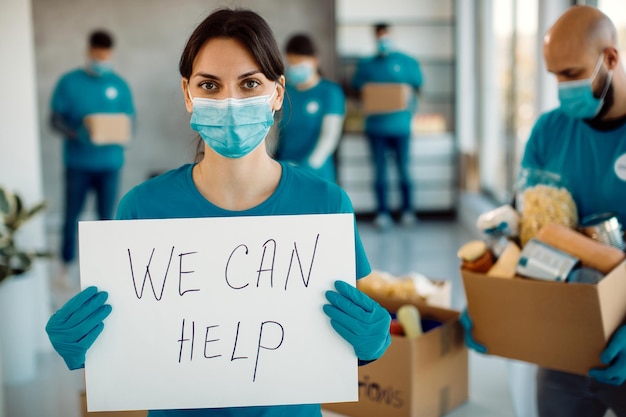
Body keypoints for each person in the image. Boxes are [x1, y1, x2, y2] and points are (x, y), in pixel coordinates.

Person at [45, 8, 391, 417]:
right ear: (188, 94)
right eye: (210, 85)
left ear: (277, 93)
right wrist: (89, 347)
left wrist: (369, 346)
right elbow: (132, 339)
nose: (230, 102)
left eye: (249, 84)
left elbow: (343, 339)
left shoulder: (326, 205)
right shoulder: (141, 208)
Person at [462, 6, 626, 416]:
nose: (560, 87)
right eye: (553, 74)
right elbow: (524, 227)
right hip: (560, 336)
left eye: (571, 74)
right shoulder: (549, 131)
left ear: (610, 58)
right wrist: (492, 299)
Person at [50, 29, 135, 278]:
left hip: (110, 163)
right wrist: (77, 133)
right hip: (78, 162)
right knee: (71, 215)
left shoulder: (119, 85)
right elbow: (55, 120)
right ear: (90, 51)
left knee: (106, 219)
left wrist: (123, 135)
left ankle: (105, 269)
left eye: (105, 55)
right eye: (97, 54)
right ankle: (66, 266)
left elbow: (130, 122)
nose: (101, 59)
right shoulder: (69, 82)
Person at [351, 23, 423, 229]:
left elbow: (418, 88)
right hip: (376, 128)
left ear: (392, 36)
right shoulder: (367, 65)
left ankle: (407, 210)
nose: (383, 40)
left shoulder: (407, 62)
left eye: (386, 36)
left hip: (401, 127)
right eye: (379, 37)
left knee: (403, 170)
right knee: (380, 172)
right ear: (374, 38)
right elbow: (357, 89)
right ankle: (382, 213)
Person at [275, 33, 346, 183]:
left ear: (314, 60)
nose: (295, 68)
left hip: (317, 173)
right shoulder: (285, 91)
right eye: (292, 63)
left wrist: (307, 167)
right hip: (285, 171)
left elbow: (329, 137)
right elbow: (275, 132)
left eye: (299, 62)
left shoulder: (330, 92)